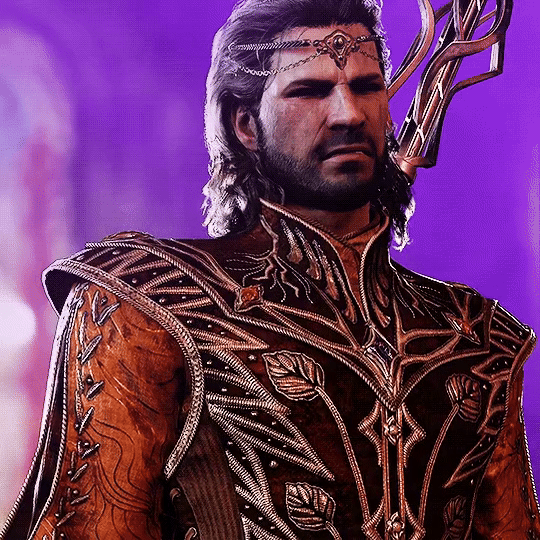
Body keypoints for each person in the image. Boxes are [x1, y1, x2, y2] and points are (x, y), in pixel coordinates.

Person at [2, 0, 538, 538]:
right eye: (310, 91)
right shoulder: (144, 303)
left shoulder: (476, 337)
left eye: (367, 87)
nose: (349, 114)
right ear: (246, 125)